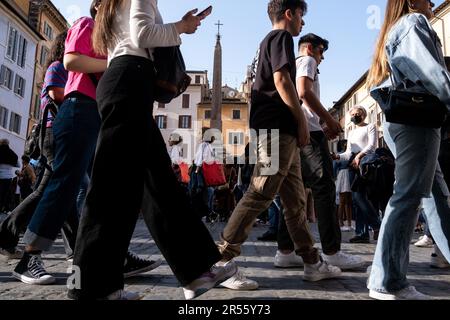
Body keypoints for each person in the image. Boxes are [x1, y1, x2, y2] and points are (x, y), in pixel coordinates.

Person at [69, 0, 236, 301]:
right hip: (129, 81)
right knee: (110, 190)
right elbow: (143, 34)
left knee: (159, 184)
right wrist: (182, 28)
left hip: (127, 82)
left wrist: (178, 27)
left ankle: (195, 272)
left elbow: (135, 35)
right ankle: (88, 287)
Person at [217, 0, 341, 288]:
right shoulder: (281, 37)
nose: (303, 22)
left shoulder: (267, 41)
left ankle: (312, 261)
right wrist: (300, 119)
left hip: (278, 128)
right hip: (276, 127)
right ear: (289, 14)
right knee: (261, 190)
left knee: (295, 199)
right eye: (301, 15)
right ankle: (220, 260)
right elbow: (282, 80)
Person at [366, 0, 450, 299]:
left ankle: (387, 279)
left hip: (405, 121)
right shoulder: (413, 22)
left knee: (434, 197)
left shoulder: (396, 29)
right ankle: (387, 281)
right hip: (417, 122)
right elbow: (432, 74)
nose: (432, 3)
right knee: (409, 196)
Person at [276, 34, 364, 270]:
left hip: (300, 130)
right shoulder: (307, 60)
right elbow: (304, 92)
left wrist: (320, 124)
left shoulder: (292, 64)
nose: (322, 57)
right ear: (310, 48)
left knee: (296, 191)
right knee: (324, 188)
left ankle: (285, 250)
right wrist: (328, 120)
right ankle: (332, 251)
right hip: (310, 134)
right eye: (321, 51)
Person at [334, 106, 381, 243]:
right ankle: (362, 233)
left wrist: (359, 156)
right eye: (352, 114)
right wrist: (337, 156)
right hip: (353, 166)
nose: (354, 116)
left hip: (366, 164)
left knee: (360, 197)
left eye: (357, 114)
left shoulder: (370, 126)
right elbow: (348, 152)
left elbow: (372, 146)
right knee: (356, 200)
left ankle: (376, 225)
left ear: (363, 114)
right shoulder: (351, 132)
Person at [0, 139, 18, 214]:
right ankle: (2, 210)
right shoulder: (12, 154)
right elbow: (18, 165)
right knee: (4, 195)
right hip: (8, 178)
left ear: (1, 143)